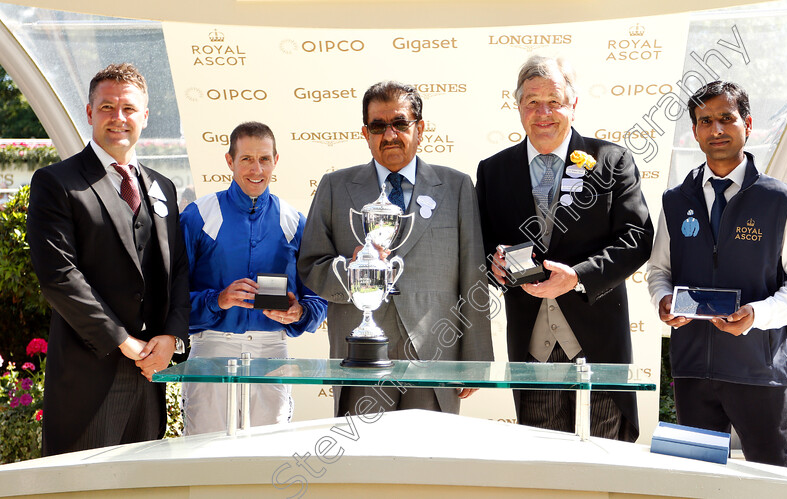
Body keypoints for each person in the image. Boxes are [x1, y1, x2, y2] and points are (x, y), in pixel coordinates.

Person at [476, 54, 653, 442]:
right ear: (518, 106)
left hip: (599, 346)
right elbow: (482, 244)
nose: (544, 113)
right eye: (532, 102)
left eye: (554, 101)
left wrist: (577, 277)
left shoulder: (611, 161)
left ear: (573, 104)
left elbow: (637, 239)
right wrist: (494, 263)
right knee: (543, 466)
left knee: (605, 463)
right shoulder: (493, 171)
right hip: (531, 348)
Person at [647, 81, 787, 467]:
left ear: (748, 123)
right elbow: (659, 270)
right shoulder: (676, 201)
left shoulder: (779, 201)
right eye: (705, 121)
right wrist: (662, 299)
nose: (717, 129)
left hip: (758, 373)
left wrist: (758, 316)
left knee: (770, 485)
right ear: (694, 131)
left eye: (726, 118)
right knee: (699, 482)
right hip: (693, 371)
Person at [298, 81, 493, 416]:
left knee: (429, 462)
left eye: (400, 124)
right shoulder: (334, 187)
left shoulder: (457, 186)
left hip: (435, 354)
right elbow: (311, 265)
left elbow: (473, 272)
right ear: (365, 132)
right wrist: (351, 270)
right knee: (365, 464)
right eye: (378, 126)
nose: (389, 135)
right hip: (360, 358)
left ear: (420, 129)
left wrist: (476, 358)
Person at [27, 63, 190, 456]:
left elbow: (179, 271)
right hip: (87, 378)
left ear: (145, 116)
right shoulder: (56, 183)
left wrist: (171, 336)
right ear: (89, 113)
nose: (119, 118)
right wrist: (122, 340)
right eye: (107, 107)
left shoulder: (161, 186)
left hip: (149, 379)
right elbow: (60, 276)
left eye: (129, 109)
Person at [179, 122, 327, 435]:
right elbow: (170, 299)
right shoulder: (198, 216)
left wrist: (299, 312)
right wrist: (217, 299)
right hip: (212, 350)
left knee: (266, 462)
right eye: (246, 159)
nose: (256, 168)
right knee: (205, 459)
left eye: (264, 159)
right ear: (229, 161)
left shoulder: (294, 221)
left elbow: (317, 298)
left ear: (276, 160)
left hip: (272, 352)